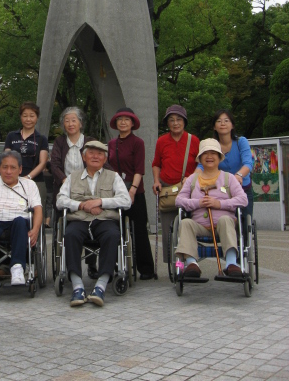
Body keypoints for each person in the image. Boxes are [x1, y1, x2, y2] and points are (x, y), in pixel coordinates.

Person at [57, 140, 131, 308]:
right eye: (91, 153)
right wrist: (81, 205)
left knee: (113, 235)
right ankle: (77, 285)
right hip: (80, 219)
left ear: (105, 159)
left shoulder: (114, 177)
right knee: (70, 234)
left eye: (100, 154)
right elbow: (60, 200)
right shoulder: (72, 177)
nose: (95, 156)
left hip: (104, 219)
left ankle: (101, 285)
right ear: (84, 157)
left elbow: (126, 201)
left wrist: (100, 202)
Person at [174, 139, 248, 278]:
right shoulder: (192, 179)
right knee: (185, 223)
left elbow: (243, 200)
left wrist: (219, 204)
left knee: (226, 219)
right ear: (200, 158)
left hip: (223, 224)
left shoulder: (229, 178)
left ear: (219, 157)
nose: (209, 156)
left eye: (213, 153)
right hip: (199, 226)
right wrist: (198, 203)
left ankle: (231, 263)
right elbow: (179, 200)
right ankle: (191, 264)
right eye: (205, 153)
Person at [0, 151, 43, 286]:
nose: (8, 171)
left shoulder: (29, 185)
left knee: (20, 221)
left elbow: (38, 209)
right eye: (5, 167)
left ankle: (17, 268)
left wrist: (36, 229)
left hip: (18, 223)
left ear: (20, 169)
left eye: (13, 168)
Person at [50, 106, 98, 276]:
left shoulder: (90, 141)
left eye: (74, 120)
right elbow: (54, 164)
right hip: (65, 189)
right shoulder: (59, 142)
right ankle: (71, 266)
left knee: (90, 222)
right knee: (69, 227)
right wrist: (66, 181)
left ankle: (92, 264)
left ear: (80, 123)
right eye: (67, 120)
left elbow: (99, 160)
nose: (70, 124)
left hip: (89, 189)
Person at [108, 107, 155, 280]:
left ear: (133, 123)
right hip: (115, 191)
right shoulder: (112, 143)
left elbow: (139, 169)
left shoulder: (138, 142)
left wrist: (133, 190)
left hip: (135, 189)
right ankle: (114, 264)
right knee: (113, 228)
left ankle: (146, 268)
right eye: (120, 119)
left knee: (139, 230)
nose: (123, 122)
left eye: (127, 119)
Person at [151, 105, 199, 263]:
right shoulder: (161, 141)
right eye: (171, 120)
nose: (175, 123)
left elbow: (201, 164)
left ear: (184, 121)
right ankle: (175, 263)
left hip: (189, 189)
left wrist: (192, 177)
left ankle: (191, 260)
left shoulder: (194, 140)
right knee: (168, 229)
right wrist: (156, 181)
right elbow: (156, 163)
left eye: (179, 119)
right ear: (167, 123)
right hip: (167, 189)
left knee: (190, 225)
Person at [203, 110, 254, 223]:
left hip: (243, 187)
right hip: (222, 191)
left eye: (226, 121)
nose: (223, 123)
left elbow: (248, 163)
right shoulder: (212, 146)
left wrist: (239, 175)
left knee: (245, 222)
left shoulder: (241, 142)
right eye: (219, 121)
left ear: (232, 125)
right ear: (214, 127)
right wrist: (192, 179)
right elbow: (202, 165)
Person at [4, 101, 49, 219]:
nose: (28, 119)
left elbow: (43, 162)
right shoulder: (12, 136)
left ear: (37, 118)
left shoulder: (41, 139)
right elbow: (6, 158)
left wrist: (28, 177)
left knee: (35, 214)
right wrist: (13, 176)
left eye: (32, 116)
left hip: (35, 181)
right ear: (20, 117)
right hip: (12, 180)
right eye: (25, 115)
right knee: (12, 213)